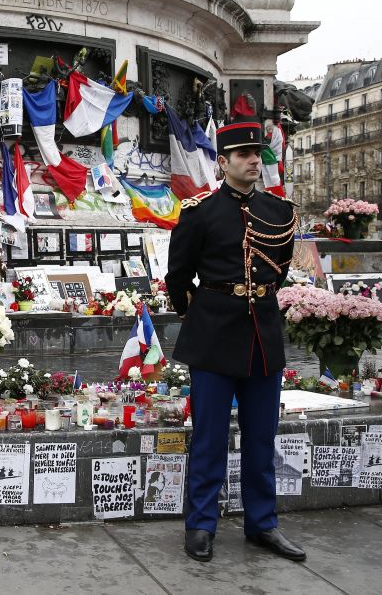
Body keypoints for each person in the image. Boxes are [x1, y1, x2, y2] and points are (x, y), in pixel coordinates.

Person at [167, 120, 303, 563]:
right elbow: (177, 276)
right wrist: (202, 313)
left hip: (262, 335)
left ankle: (262, 523)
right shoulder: (199, 210)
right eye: (243, 155)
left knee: (262, 437)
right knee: (209, 437)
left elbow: (278, 269)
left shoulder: (279, 212)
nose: (253, 162)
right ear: (222, 162)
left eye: (257, 155)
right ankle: (201, 525)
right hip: (213, 335)